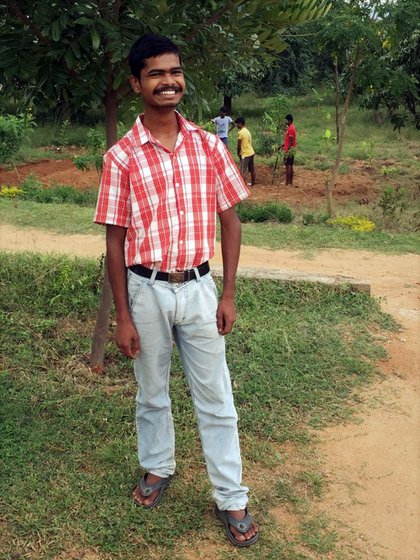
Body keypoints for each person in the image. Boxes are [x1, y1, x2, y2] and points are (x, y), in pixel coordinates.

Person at [94, 33, 259, 548]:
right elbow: (115, 243)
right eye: (156, 74)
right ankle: (158, 466)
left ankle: (231, 495)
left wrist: (227, 292)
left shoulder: (210, 146)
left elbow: (230, 223)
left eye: (175, 72)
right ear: (136, 83)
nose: (168, 82)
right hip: (145, 292)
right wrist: (122, 315)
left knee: (216, 396)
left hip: (200, 289)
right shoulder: (120, 157)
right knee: (152, 391)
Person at [234, 117, 256, 186]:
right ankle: (252, 183)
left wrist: (238, 153)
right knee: (252, 169)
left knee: (243, 171)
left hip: (245, 154)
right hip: (251, 152)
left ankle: (242, 186)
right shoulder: (247, 131)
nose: (236, 125)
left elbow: (239, 145)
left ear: (240, 123)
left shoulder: (240, 133)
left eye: (237, 124)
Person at [282, 114, 297, 186]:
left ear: (289, 120)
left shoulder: (291, 128)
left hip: (289, 150)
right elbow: (288, 140)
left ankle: (287, 182)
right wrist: (282, 145)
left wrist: (287, 151)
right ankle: (290, 182)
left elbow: (290, 140)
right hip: (290, 149)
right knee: (290, 165)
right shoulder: (290, 128)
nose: (285, 122)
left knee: (288, 165)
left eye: (286, 120)